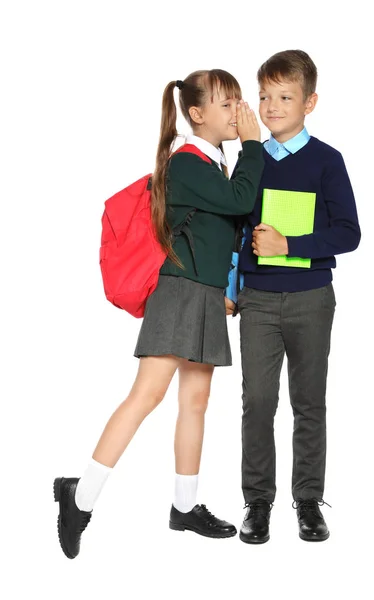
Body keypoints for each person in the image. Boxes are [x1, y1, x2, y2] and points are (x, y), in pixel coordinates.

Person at [54, 69, 264, 559]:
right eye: (228, 104)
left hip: (206, 294)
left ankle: (185, 508)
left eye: (238, 102)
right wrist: (253, 146)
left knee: (195, 401)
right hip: (179, 293)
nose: (239, 112)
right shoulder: (188, 164)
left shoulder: (213, 163)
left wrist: (225, 290)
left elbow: (222, 231)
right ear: (197, 114)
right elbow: (242, 201)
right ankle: (79, 498)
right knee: (146, 396)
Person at [227, 50, 361, 543]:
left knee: (310, 403)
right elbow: (237, 230)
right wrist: (230, 286)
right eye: (264, 95)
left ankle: (307, 501)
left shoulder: (328, 162)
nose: (272, 105)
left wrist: (290, 245)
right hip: (258, 300)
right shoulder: (252, 159)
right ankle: (257, 502)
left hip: (311, 298)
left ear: (310, 102)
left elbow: (349, 233)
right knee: (257, 402)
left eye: (285, 96)